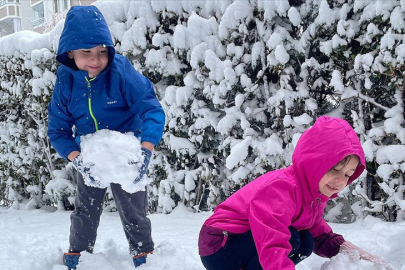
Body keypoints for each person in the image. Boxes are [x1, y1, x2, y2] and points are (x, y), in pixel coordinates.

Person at [47, 5, 165, 270]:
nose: (95, 59)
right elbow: (58, 130)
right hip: (92, 155)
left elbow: (150, 108)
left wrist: (144, 149)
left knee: (133, 209)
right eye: (86, 52)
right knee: (85, 210)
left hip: (126, 151)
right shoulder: (66, 81)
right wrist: (77, 159)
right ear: (70, 53)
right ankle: (77, 255)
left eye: (102, 51)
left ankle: (143, 255)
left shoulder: (120, 71)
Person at [198, 116, 394, 270]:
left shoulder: (312, 194)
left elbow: (317, 231)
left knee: (306, 241)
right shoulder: (281, 188)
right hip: (219, 244)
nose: (341, 181)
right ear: (314, 164)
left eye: (348, 175)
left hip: (243, 242)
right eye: (334, 169)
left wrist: (350, 251)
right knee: (292, 238)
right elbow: (272, 241)